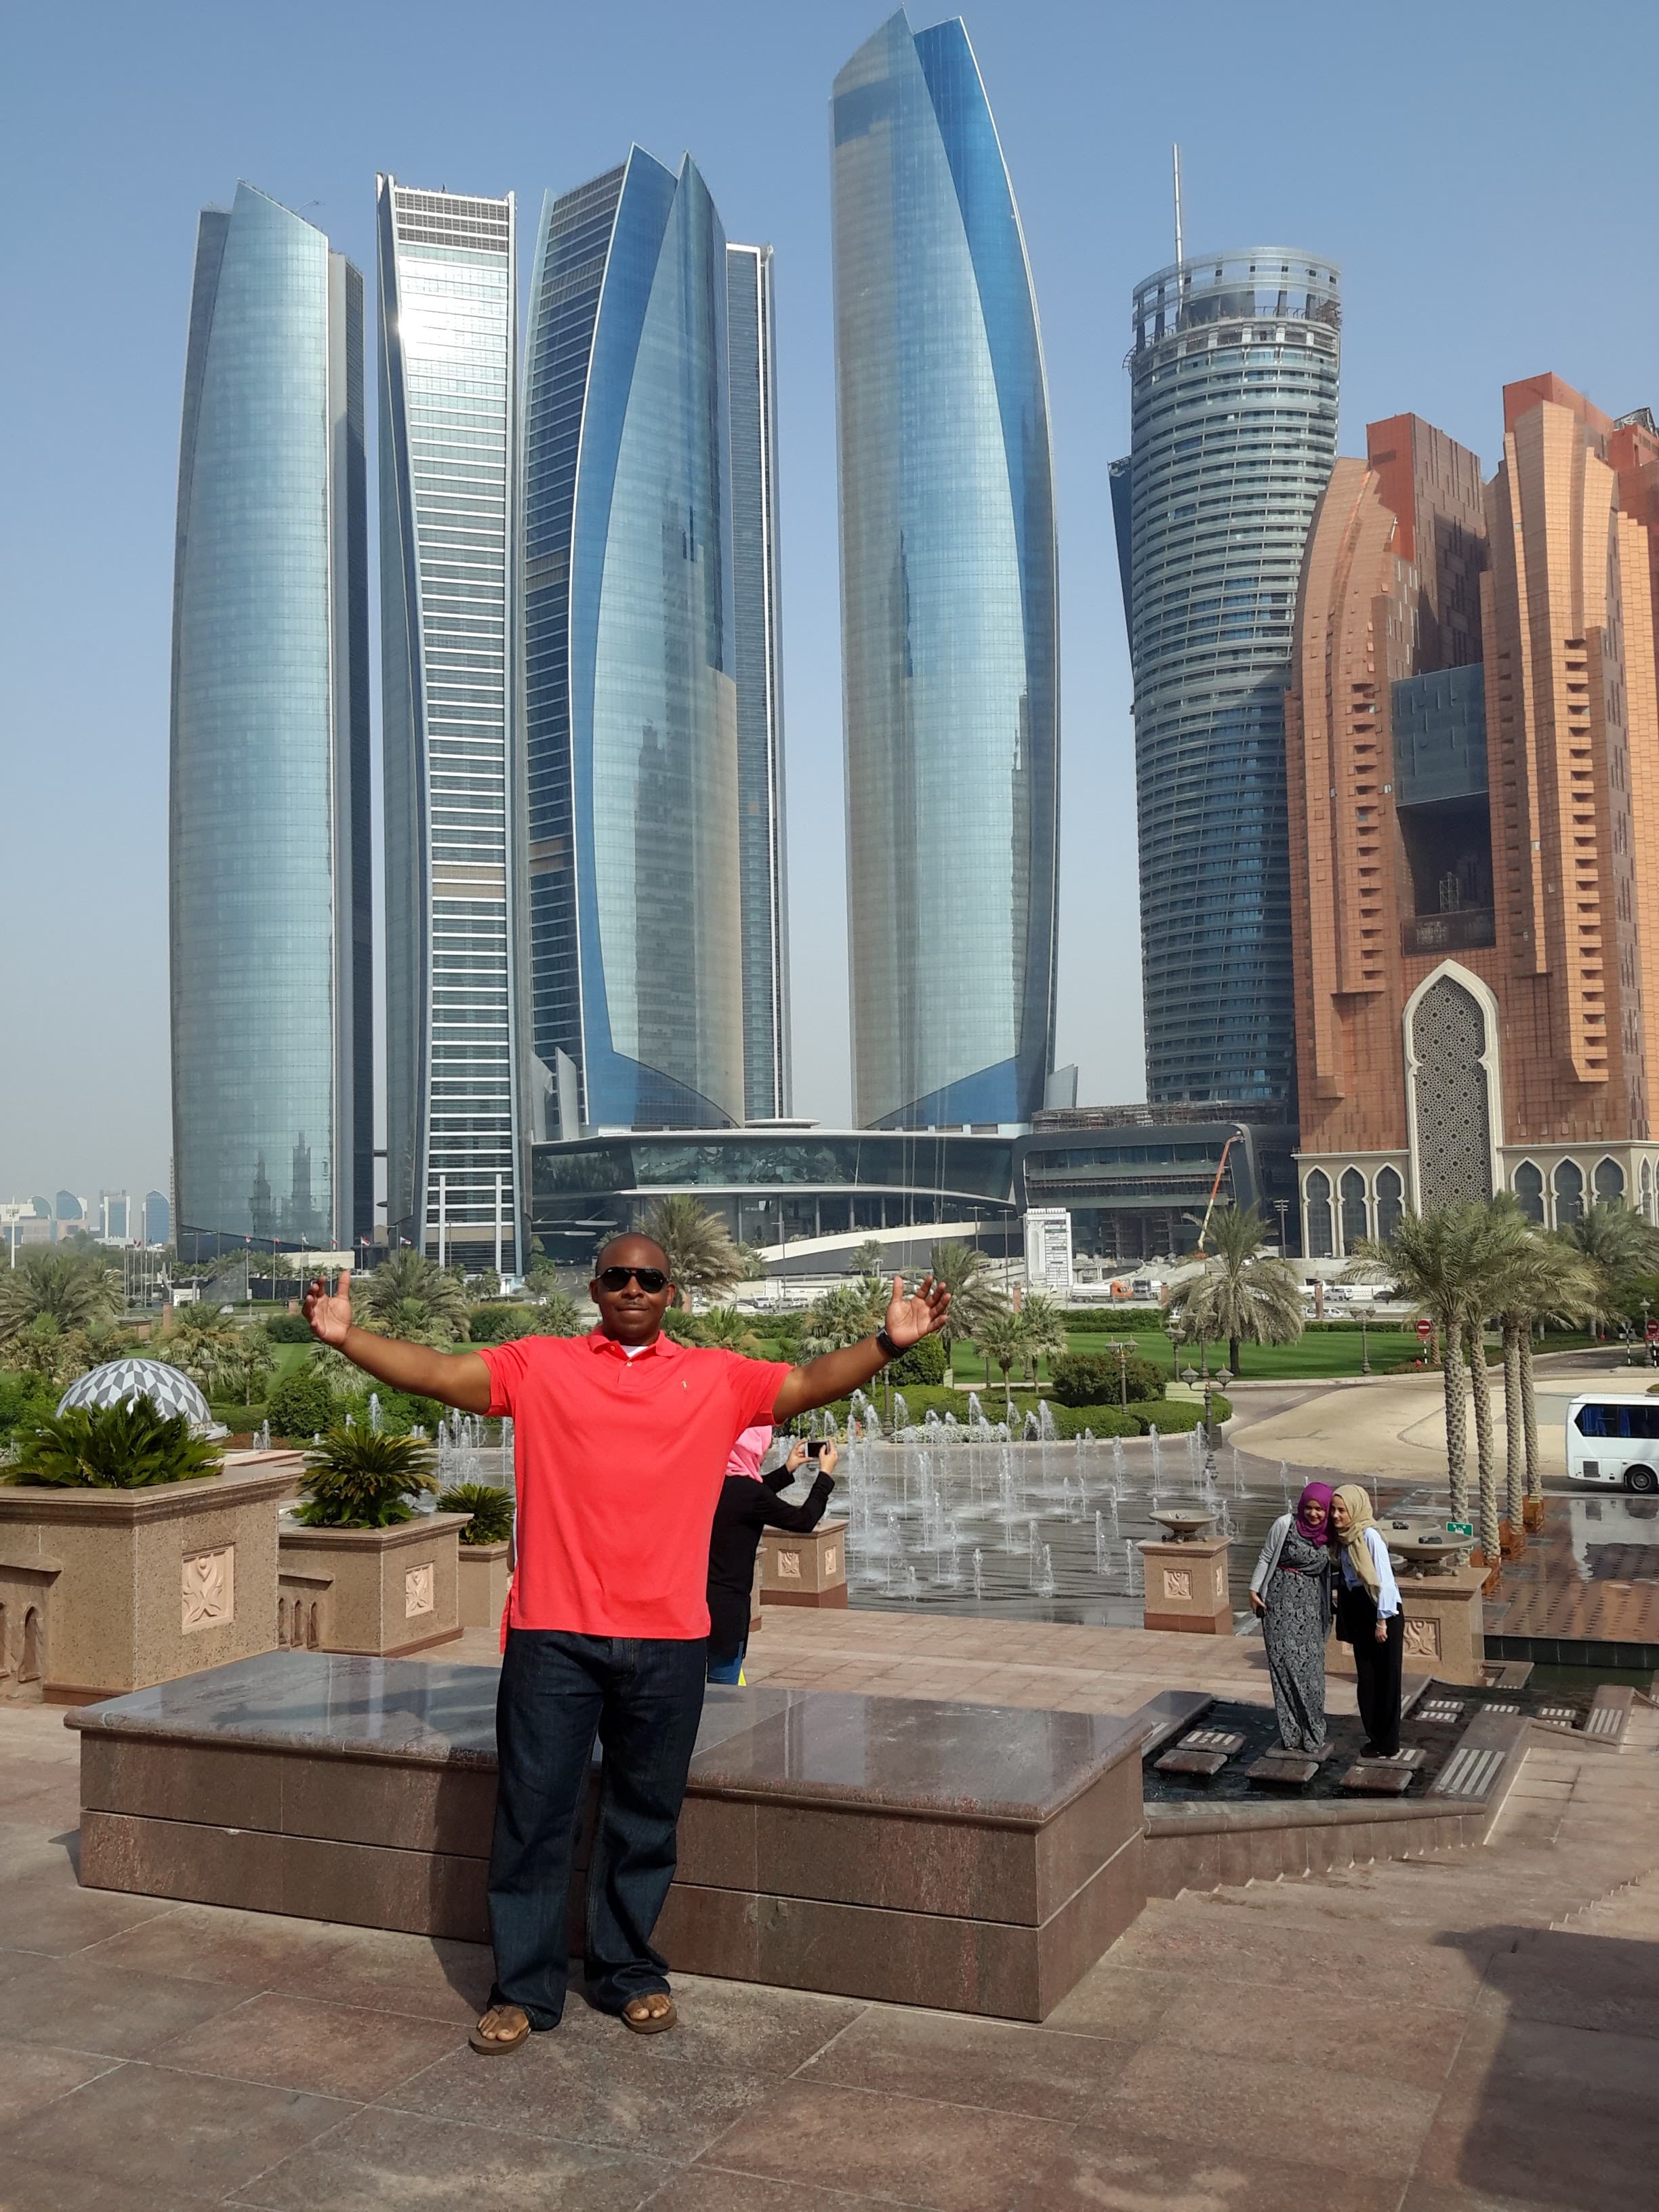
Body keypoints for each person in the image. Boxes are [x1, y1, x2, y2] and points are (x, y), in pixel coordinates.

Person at [301, 1235, 947, 2053]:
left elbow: (808, 1382)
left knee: (645, 1817)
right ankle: (524, 1990)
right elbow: (436, 1371)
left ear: (670, 1292)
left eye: (649, 1278)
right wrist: (346, 1338)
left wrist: (890, 1342)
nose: (633, 1288)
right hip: (553, 1637)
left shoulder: (718, 1375)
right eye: (617, 1276)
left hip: (671, 1637)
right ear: (596, 1288)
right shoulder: (540, 1366)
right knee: (533, 1816)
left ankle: (628, 1971)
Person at [705, 1433, 838, 1684]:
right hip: (726, 1615)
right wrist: (825, 1476)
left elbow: (748, 1496)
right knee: (723, 1697)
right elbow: (804, 1521)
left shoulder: (706, 1484)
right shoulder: (748, 1495)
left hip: (691, 1609)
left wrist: (788, 1470)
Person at [1248, 1481, 1334, 1753]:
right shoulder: (1285, 1524)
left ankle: (1313, 1729)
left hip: (1312, 1608)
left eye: (1319, 1509)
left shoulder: (1333, 1533)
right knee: (1283, 1666)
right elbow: (1266, 1556)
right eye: (1308, 1507)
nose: (1313, 1514)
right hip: (1279, 1605)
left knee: (1309, 1670)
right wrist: (1253, 1590)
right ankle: (1292, 1734)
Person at [1330, 1482, 1404, 1758]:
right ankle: (1375, 1736)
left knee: (1387, 1678)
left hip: (1382, 1613)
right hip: (1359, 1609)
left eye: (1342, 1510)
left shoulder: (1369, 1536)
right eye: (1334, 1510)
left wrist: (1382, 1621)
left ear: (1356, 1510)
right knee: (1367, 1678)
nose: (1336, 1516)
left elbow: (1384, 1581)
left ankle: (1389, 1742)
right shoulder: (1344, 1539)